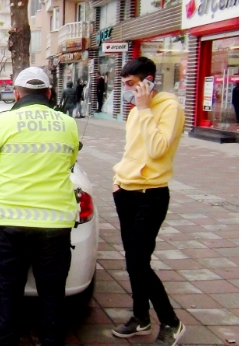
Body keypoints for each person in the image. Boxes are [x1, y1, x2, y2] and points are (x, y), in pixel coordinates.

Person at [0, 67, 79, 346]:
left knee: (9, 289)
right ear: (48, 93)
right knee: (52, 292)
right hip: (55, 225)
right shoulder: (67, 123)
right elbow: (70, 164)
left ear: (17, 94)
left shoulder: (3, 122)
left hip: (12, 223)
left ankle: (6, 342)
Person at [112, 57, 186, 345]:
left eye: (132, 85)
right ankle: (141, 317)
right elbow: (132, 151)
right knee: (132, 261)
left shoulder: (169, 108)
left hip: (151, 194)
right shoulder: (135, 112)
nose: (128, 91)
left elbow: (156, 150)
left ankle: (171, 321)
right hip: (125, 190)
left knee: (140, 261)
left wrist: (144, 109)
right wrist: (117, 181)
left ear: (148, 81)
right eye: (125, 85)